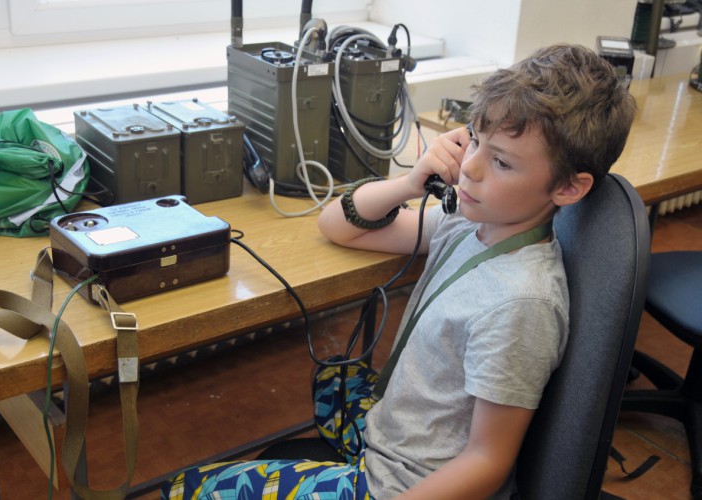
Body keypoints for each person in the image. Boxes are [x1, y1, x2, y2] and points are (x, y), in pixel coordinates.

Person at [161, 43, 636, 500]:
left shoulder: (522, 306)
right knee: (332, 378)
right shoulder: (470, 221)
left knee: (183, 488)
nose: (469, 169)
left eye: (501, 162)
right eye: (474, 139)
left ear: (568, 189)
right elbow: (338, 226)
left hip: (400, 483)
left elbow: (488, 462)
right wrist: (409, 183)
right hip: (394, 430)